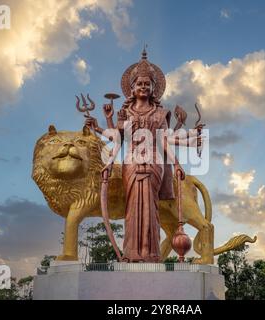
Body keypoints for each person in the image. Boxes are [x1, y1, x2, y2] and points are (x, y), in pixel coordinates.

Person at [85, 49, 201, 262]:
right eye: (140, 83)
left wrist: (176, 164)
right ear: (132, 87)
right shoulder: (125, 113)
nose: (144, 87)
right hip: (130, 163)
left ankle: (151, 254)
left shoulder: (160, 113)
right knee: (132, 209)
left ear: (153, 88)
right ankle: (131, 253)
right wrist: (104, 128)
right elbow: (118, 138)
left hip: (153, 163)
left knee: (150, 207)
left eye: (148, 84)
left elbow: (164, 140)